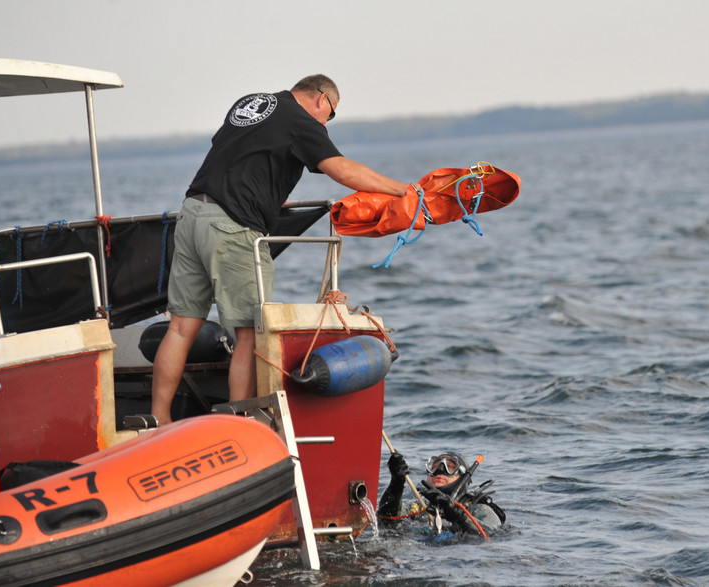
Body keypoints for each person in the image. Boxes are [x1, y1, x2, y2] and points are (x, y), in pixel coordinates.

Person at [151, 74, 412, 425]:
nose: (326, 123)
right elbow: (342, 169)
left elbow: (242, 154)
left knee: (181, 328)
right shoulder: (301, 120)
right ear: (322, 99)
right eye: (330, 115)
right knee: (248, 333)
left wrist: (271, 194)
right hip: (231, 225)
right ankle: (238, 424)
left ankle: (158, 420)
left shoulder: (251, 103)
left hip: (192, 213)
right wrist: (401, 191)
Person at [377, 450, 506, 538]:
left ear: (463, 477)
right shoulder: (418, 507)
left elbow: (490, 535)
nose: (440, 471)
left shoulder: (478, 509)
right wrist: (396, 483)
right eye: (434, 466)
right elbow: (386, 519)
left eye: (450, 467)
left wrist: (456, 515)